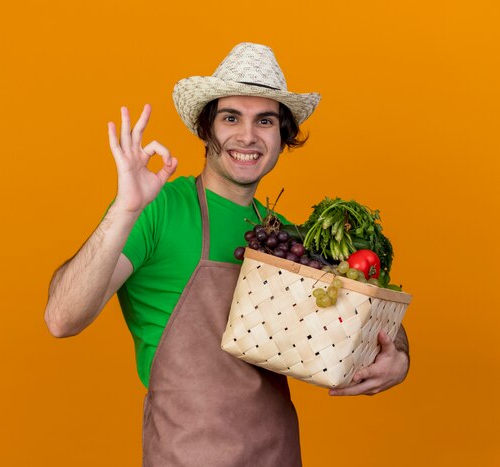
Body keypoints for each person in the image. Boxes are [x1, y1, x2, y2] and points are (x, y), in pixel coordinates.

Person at [44, 42, 410, 466]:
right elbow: (61, 318)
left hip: (278, 455)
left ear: (282, 135)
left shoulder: (284, 234)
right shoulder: (158, 208)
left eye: (265, 120)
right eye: (230, 117)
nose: (247, 136)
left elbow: (359, 304)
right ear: (206, 128)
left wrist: (398, 357)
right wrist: (126, 209)